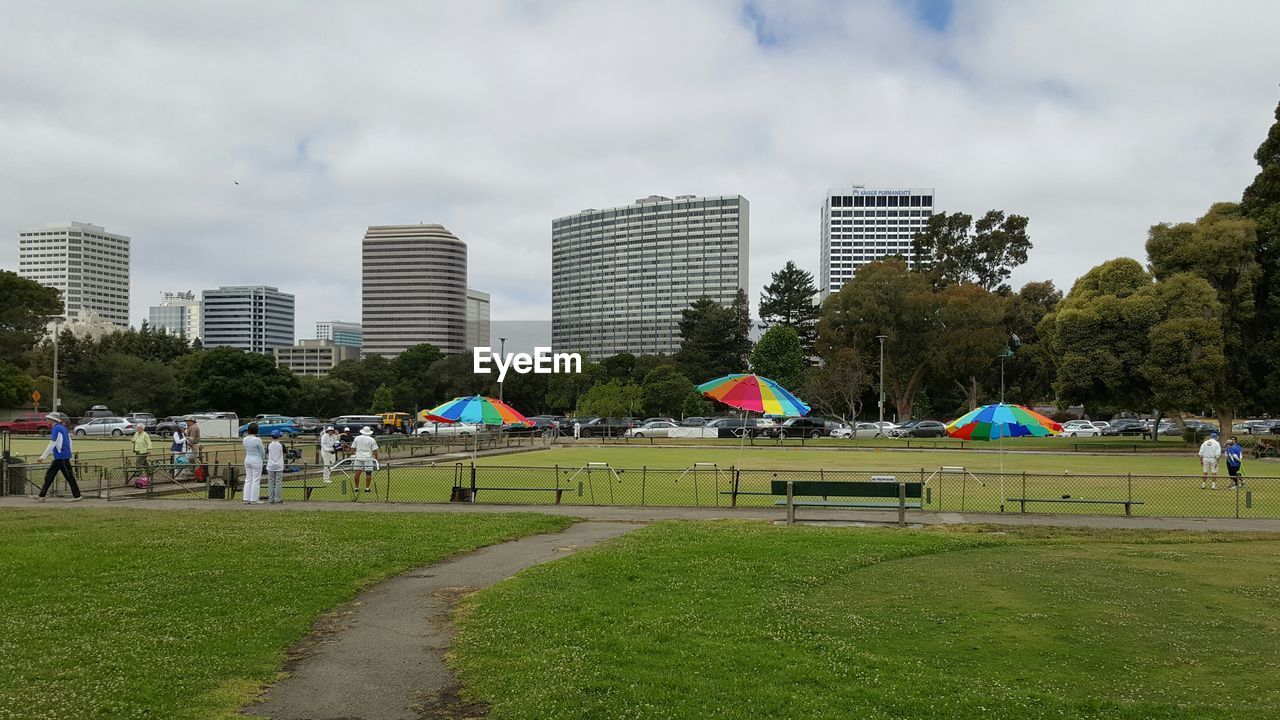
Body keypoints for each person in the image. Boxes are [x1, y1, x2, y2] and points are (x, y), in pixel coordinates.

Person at [36, 412, 81, 501]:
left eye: (48, 418)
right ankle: (41, 495)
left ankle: (77, 496)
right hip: (62, 457)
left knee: (68, 477)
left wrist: (43, 457)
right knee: (50, 475)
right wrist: (69, 453)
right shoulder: (63, 428)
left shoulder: (56, 428)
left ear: (53, 420)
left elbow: (52, 443)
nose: (47, 420)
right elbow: (70, 441)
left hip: (61, 457)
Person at [351, 426, 379, 493]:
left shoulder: (357, 438)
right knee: (368, 473)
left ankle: (356, 487)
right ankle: (367, 488)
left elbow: (352, 448)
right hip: (368, 458)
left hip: (358, 457)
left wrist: (352, 455)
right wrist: (376, 459)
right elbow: (375, 450)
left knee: (357, 472)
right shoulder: (371, 439)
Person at [242, 422, 264, 504]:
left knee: (248, 479)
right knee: (256, 480)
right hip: (256, 460)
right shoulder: (257, 440)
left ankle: (246, 498)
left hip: (248, 459)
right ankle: (254, 499)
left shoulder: (244, 439)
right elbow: (262, 451)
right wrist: (263, 458)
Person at [265, 430, 285, 504]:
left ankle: (271, 499)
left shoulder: (269, 445)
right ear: (279, 436)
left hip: (270, 465)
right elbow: (285, 453)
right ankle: (277, 499)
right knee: (278, 482)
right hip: (279, 465)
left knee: (270, 482)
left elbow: (267, 453)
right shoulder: (281, 445)